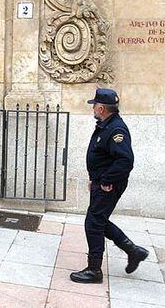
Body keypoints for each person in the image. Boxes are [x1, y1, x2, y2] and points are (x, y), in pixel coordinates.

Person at [70, 88, 149, 284]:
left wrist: (106, 181)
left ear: (102, 108)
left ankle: (94, 270)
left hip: (109, 185)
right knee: (98, 220)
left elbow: (125, 161)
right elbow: (103, 157)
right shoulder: (106, 125)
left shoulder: (116, 130)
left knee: (93, 223)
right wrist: (94, 178)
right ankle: (133, 250)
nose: (93, 108)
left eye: (95, 105)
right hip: (101, 182)